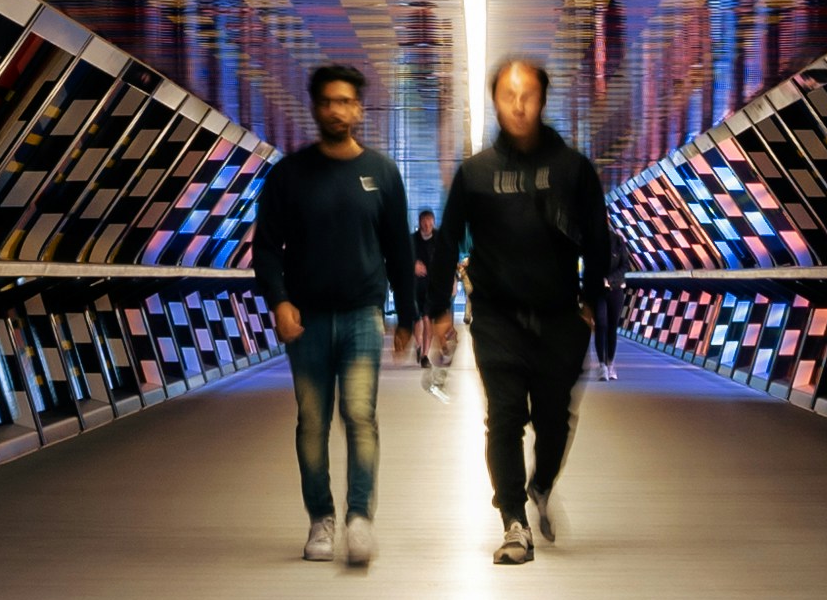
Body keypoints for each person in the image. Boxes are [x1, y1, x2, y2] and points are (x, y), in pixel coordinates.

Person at [416, 54, 621, 563]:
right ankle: (513, 520)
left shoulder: (573, 170)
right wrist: (441, 309)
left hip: (558, 318)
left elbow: (599, 238)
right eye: (508, 96)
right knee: (504, 419)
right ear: (495, 103)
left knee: (553, 419)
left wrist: (592, 300)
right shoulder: (476, 174)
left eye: (527, 94)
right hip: (497, 318)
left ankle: (541, 484)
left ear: (543, 100)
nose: (519, 105)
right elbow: (446, 245)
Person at [250, 60, 426, 568]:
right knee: (311, 421)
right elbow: (265, 250)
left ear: (359, 109)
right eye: (327, 101)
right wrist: (279, 301)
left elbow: (398, 251)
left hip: (362, 317)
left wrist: (407, 318)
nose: (336, 110)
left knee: (360, 416)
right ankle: (320, 520)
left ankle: (359, 519)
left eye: (345, 101)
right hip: (305, 320)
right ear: (315, 107)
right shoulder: (290, 176)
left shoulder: (383, 174)